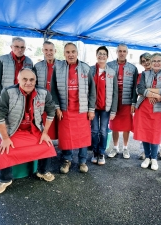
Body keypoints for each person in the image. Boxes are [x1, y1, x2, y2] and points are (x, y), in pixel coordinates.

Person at [0, 68, 57, 194]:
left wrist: (45, 133)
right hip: (13, 130)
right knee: (5, 149)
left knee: (47, 145)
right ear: (18, 80)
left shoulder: (43, 93)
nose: (28, 82)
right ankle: (5, 179)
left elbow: (51, 111)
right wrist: (5, 138)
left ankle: (42, 172)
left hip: (34, 129)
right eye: (25, 79)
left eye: (32, 79)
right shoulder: (8, 92)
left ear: (35, 80)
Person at [50, 42, 96, 174]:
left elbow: (92, 90)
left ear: (77, 53)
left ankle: (82, 161)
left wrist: (91, 109)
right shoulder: (57, 68)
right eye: (68, 52)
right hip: (65, 110)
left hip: (82, 110)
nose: (71, 54)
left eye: (73, 52)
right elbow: (53, 90)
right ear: (64, 54)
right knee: (66, 136)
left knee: (83, 136)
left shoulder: (86, 68)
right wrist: (57, 107)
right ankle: (67, 160)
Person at [134, 53, 161, 170]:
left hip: (157, 108)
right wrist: (154, 94)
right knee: (145, 132)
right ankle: (147, 157)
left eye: (159, 60)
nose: (156, 63)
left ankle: (154, 158)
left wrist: (149, 90)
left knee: (155, 133)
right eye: (154, 60)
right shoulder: (144, 74)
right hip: (143, 107)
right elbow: (139, 89)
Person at [107, 44, 138, 159]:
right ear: (116, 52)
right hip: (113, 101)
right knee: (114, 125)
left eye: (124, 51)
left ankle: (125, 148)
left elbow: (135, 87)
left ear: (127, 52)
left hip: (127, 101)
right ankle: (115, 147)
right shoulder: (109, 65)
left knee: (126, 126)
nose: (122, 53)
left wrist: (133, 103)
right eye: (120, 51)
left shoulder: (132, 68)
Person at [89, 46, 118, 165]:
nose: (102, 56)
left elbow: (115, 92)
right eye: (99, 53)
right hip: (93, 108)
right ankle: (95, 152)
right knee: (94, 131)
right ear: (96, 55)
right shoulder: (90, 70)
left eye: (104, 54)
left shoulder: (111, 72)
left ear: (107, 56)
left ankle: (101, 153)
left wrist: (114, 110)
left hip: (106, 108)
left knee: (103, 131)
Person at [34, 41, 60, 140]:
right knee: (45, 126)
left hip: (58, 101)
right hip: (43, 101)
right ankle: (45, 146)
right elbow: (34, 84)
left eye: (51, 50)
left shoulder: (62, 65)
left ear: (55, 51)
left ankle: (62, 148)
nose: (48, 52)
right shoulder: (37, 66)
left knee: (59, 126)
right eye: (46, 50)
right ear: (42, 51)